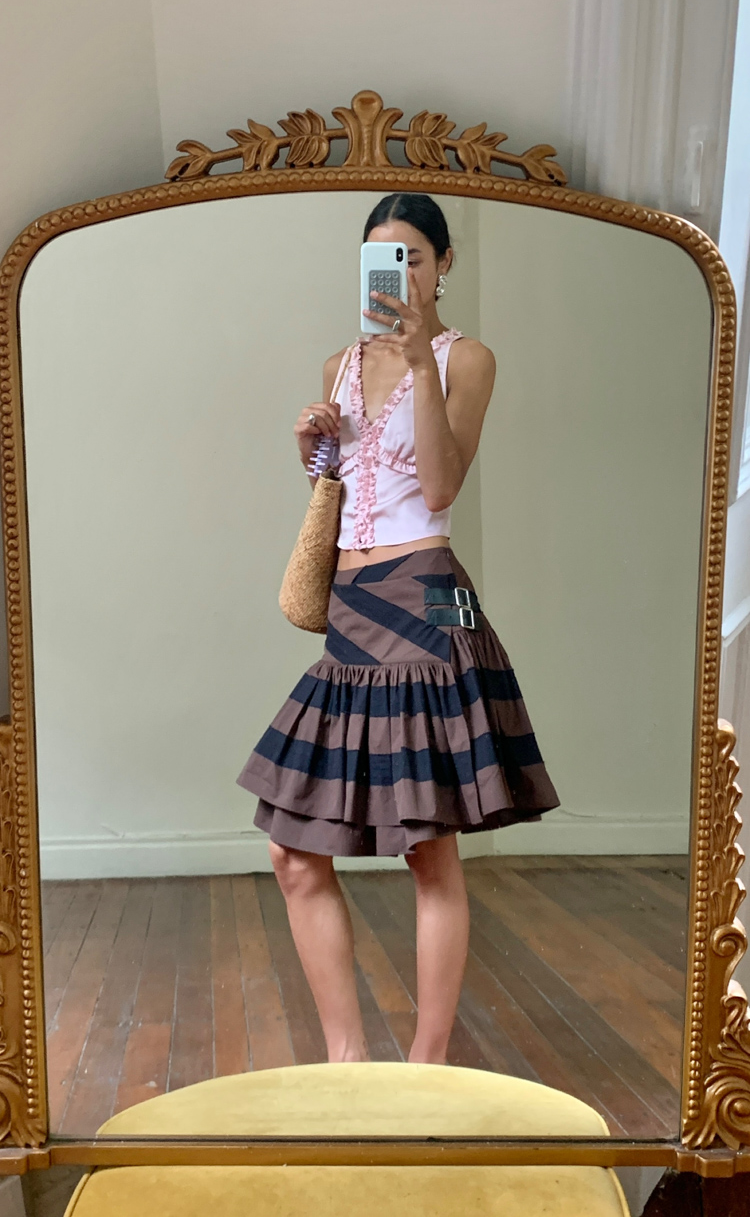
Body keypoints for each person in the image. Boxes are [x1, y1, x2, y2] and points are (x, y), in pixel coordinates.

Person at [237, 192, 560, 1066]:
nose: (400, 273)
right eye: (383, 258)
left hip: (430, 593)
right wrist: (313, 448)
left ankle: (428, 1061)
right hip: (352, 599)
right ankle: (346, 1059)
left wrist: (421, 362)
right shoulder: (340, 363)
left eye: (414, 256)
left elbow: (443, 486)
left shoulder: (467, 358)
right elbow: (344, 490)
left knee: (428, 841)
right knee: (292, 851)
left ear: (444, 263)